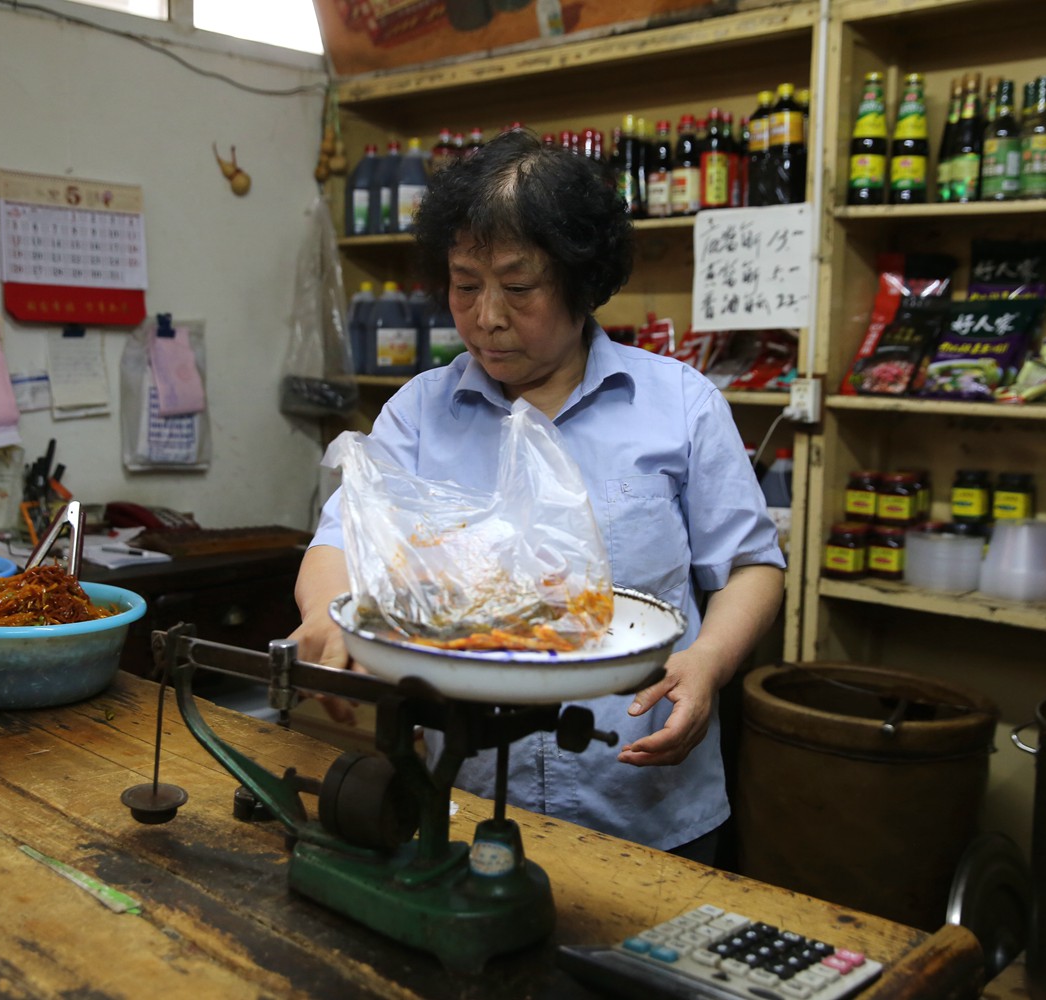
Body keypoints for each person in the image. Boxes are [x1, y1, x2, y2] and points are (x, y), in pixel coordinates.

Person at [289, 127, 785, 864]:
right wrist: (324, 627)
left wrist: (708, 660)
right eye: (465, 284)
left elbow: (750, 565)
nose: (487, 316)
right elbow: (339, 543)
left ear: (581, 282)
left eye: (518, 288)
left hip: (645, 801)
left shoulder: (680, 404)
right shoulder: (419, 414)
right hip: (465, 792)